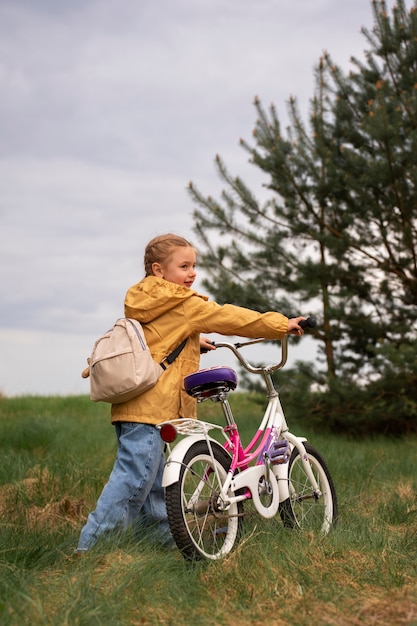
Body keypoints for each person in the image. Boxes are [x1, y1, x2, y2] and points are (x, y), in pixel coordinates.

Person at [75, 233, 306, 554]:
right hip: (152, 407)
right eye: (184, 266)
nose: (192, 273)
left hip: (136, 404)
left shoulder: (145, 299)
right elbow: (230, 317)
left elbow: (154, 337)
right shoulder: (183, 303)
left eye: (194, 265)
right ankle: (90, 549)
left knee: (154, 484)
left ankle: (160, 542)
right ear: (159, 269)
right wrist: (279, 324)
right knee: (133, 481)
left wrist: (191, 341)